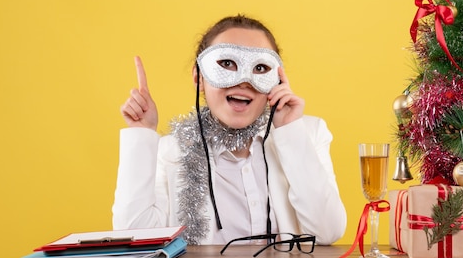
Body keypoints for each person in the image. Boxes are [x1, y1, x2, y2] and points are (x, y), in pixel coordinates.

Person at [112, 14, 347, 245]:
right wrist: (142, 133)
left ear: (277, 80)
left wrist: (289, 131)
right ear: (199, 77)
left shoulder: (308, 133)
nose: (244, 81)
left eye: (260, 68)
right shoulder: (169, 152)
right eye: (226, 63)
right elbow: (135, 237)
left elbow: (327, 232)